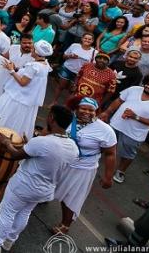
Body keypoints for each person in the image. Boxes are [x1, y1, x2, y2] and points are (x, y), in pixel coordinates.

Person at [0, 106, 78, 253]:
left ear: (51, 118)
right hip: (44, 190)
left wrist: (6, 142)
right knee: (24, 213)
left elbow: (15, 155)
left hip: (24, 186)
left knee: (7, 211)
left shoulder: (43, 142)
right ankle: (9, 241)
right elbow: (47, 158)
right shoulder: (73, 147)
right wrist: (29, 146)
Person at [52, 98, 117, 234]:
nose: (87, 112)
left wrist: (108, 177)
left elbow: (110, 154)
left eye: (91, 110)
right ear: (76, 108)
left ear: (96, 111)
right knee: (46, 184)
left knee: (71, 197)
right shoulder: (67, 119)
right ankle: (42, 198)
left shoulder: (105, 130)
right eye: (83, 108)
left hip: (82, 169)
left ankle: (65, 225)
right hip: (60, 161)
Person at [100, 75, 149, 183]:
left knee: (127, 154)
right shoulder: (134, 89)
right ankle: (92, 159)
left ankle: (121, 171)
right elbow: (119, 101)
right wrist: (107, 112)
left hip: (134, 135)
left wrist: (136, 117)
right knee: (103, 143)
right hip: (115, 125)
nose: (148, 86)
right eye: (148, 83)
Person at [0, 40, 53, 140]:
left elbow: (23, 82)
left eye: (33, 48)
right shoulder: (45, 65)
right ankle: (13, 140)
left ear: (37, 52)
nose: (32, 49)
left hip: (17, 97)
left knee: (3, 114)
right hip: (27, 100)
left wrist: (11, 70)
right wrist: (17, 70)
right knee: (17, 121)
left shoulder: (34, 66)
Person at [49, 32, 96, 106]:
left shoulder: (94, 52)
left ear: (93, 41)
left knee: (72, 90)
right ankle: (54, 102)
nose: (87, 40)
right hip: (67, 68)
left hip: (79, 74)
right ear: (82, 39)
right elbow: (64, 56)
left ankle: (66, 105)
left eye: (89, 39)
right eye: (85, 38)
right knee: (61, 86)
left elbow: (93, 66)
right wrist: (70, 56)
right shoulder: (74, 45)